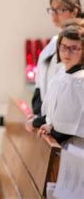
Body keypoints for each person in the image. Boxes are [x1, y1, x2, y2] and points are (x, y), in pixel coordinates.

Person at [25, 0, 83, 132]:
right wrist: (38, 113)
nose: (54, 14)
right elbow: (42, 80)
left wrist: (43, 121)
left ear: (75, 11)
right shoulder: (55, 41)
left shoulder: (78, 42)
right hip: (48, 117)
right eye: (52, 9)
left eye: (60, 9)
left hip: (64, 127)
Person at [38, 21, 84, 149]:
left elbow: (72, 124)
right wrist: (49, 126)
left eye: (74, 48)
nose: (67, 53)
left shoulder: (80, 81)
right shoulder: (62, 73)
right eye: (63, 47)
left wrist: (51, 130)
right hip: (62, 147)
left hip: (77, 149)